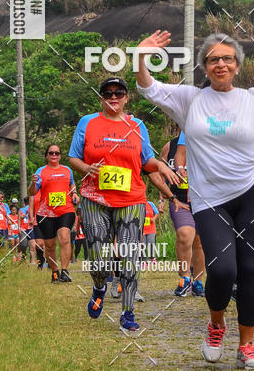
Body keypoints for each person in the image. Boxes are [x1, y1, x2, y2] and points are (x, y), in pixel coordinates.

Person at [135, 30, 254, 369]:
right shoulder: (189, 99)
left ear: (237, 65)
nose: (220, 64)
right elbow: (148, 87)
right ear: (205, 66)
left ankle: (247, 345)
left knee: (250, 269)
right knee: (221, 270)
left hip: (253, 191)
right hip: (209, 197)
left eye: (227, 58)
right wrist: (140, 57)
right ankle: (216, 324)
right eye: (213, 59)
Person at [68, 76, 179, 334]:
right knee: (97, 257)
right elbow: (73, 156)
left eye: (119, 92)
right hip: (94, 197)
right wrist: (86, 167)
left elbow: (147, 161)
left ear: (127, 97)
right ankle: (99, 287)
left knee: (130, 256)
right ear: (101, 98)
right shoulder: (87, 122)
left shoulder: (137, 125)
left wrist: (161, 166)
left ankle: (128, 312)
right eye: (108, 93)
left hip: (131, 199)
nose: (114, 97)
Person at [160, 129, 206, 297]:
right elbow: (160, 173)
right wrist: (163, 197)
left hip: (203, 199)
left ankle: (198, 282)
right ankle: (185, 278)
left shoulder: (205, 139)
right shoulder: (169, 146)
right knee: (185, 234)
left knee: (200, 242)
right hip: (179, 200)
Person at [29, 144, 79, 284]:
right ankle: (55, 272)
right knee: (50, 245)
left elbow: (72, 184)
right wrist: (33, 184)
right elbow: (32, 192)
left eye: (57, 153)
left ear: (60, 155)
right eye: (51, 153)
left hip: (65, 210)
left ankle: (65, 271)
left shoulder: (67, 170)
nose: (54, 155)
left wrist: (74, 193)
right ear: (47, 155)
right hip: (46, 213)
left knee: (64, 238)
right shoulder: (41, 171)